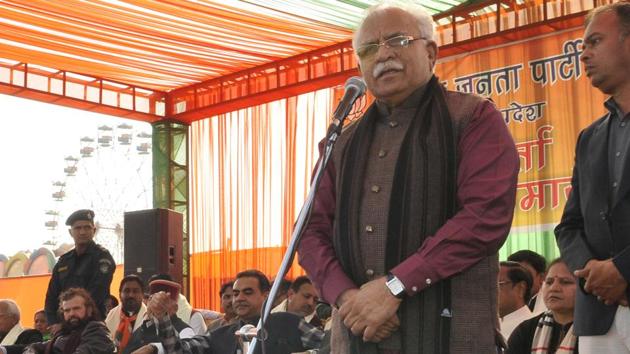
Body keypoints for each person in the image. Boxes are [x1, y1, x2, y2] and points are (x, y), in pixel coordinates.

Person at [297, 1, 519, 353]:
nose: (383, 55)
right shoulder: (341, 141)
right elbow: (309, 231)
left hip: (454, 336)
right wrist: (348, 297)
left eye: (397, 40)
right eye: (369, 49)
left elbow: (485, 216)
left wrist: (395, 286)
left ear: (431, 52)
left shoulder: (473, 117)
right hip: (356, 337)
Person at [554, 2, 630, 353]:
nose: (583, 55)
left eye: (595, 42)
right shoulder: (590, 137)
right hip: (598, 315)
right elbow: (568, 226)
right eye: (582, 46)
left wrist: (622, 269)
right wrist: (593, 274)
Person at [136, 269, 324, 354]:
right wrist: (163, 318)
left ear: (266, 295)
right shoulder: (221, 335)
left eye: (248, 292)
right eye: (235, 294)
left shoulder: (288, 323)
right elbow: (178, 351)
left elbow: (332, 347)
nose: (239, 298)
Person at [44, 209, 115, 331]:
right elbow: (51, 297)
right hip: (63, 328)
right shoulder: (63, 261)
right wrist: (53, 324)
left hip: (90, 326)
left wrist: (68, 322)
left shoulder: (102, 257)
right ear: (70, 232)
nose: (82, 232)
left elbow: (97, 293)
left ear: (94, 230)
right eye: (78, 228)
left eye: (87, 227)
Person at [4, 288, 114, 354]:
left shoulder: (96, 330)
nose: (71, 313)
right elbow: (35, 347)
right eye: (67, 310)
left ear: (89, 310)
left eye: (76, 308)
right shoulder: (65, 334)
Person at [507, 259, 578, 354]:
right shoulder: (526, 330)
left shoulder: (594, 331)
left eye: (565, 282)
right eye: (549, 282)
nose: (554, 288)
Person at [123, 279, 194, 354]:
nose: (154, 305)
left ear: (175, 308)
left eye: (162, 302)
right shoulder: (142, 329)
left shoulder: (185, 331)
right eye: (151, 299)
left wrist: (152, 349)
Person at [105, 274, 147, 353]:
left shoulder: (149, 318)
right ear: (120, 294)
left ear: (142, 295)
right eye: (127, 291)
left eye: (135, 291)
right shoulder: (111, 315)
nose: (131, 295)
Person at [498, 261, 534, 340]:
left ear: (521, 288)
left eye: (498, 284)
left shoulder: (532, 328)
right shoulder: (485, 326)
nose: (490, 291)